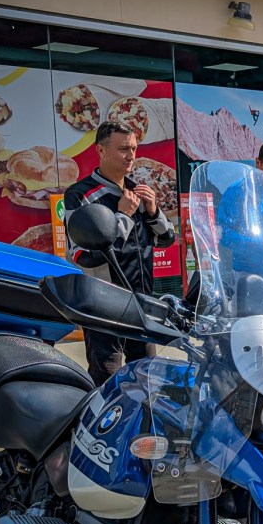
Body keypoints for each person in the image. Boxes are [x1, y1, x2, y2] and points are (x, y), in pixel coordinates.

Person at [65, 120, 177, 386]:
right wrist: (123, 215)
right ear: (101, 151)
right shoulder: (80, 196)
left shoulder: (136, 190)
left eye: (134, 149)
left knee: (146, 380)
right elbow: (82, 256)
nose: (131, 157)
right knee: (108, 383)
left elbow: (166, 240)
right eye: (123, 149)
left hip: (141, 304)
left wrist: (153, 212)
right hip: (103, 305)